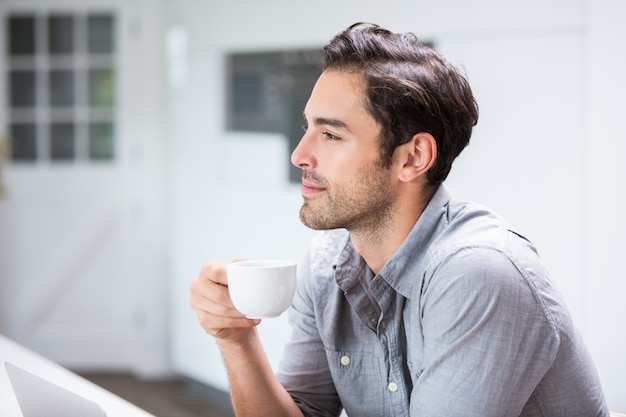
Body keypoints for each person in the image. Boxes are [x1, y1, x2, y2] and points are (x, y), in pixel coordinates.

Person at [190, 22, 608, 416]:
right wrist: (237, 339)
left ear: (412, 158)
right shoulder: (327, 266)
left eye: (331, 134)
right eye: (308, 128)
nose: (299, 154)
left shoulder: (480, 275)